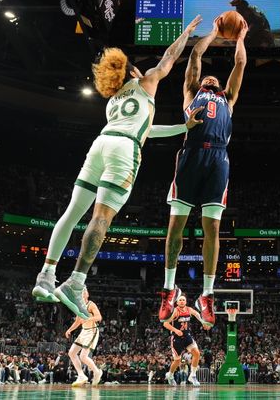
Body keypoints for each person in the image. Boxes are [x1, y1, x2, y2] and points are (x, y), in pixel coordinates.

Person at [31, 16, 205, 318]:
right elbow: (168, 59)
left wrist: (183, 126)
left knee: (72, 213)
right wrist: (185, 34)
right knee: (101, 217)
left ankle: (46, 275)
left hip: (101, 143)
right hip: (124, 150)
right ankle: (76, 282)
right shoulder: (146, 82)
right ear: (130, 70)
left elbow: (147, 130)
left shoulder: (112, 101)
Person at [160, 15, 249, 326]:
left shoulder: (229, 98)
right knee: (176, 228)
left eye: (214, 79)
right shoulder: (190, 92)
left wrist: (239, 38)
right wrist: (213, 33)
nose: (210, 79)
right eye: (207, 79)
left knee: (212, 230)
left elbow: (239, 66)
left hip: (218, 160)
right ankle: (169, 289)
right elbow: (196, 55)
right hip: (191, 156)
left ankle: (207, 295)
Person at [163, 294, 211, 386]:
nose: (182, 301)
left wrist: (203, 322)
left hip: (187, 336)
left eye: (183, 300)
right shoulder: (175, 311)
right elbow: (165, 324)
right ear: (177, 302)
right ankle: (170, 375)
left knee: (197, 353)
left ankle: (192, 376)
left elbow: (197, 314)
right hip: (176, 338)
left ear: (186, 302)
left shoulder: (189, 309)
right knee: (177, 360)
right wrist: (176, 330)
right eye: (180, 300)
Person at [65, 287, 103, 387]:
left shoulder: (91, 304)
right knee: (72, 353)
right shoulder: (79, 306)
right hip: (84, 331)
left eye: (84, 292)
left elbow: (99, 317)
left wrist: (88, 319)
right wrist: (70, 330)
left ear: (87, 294)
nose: (82, 294)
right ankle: (81, 375)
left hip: (92, 330)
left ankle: (97, 371)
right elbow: (78, 321)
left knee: (83, 356)